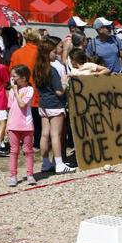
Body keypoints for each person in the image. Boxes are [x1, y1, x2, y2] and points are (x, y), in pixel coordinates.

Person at [34, 38, 73, 174]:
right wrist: (65, 82)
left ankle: (45, 163)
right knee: (55, 135)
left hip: (43, 105)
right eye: (52, 52)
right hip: (55, 105)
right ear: (47, 53)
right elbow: (59, 91)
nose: (55, 54)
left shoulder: (37, 69)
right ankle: (60, 164)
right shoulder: (53, 70)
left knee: (45, 134)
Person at [5, 65, 36, 186]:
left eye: (14, 76)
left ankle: (30, 174)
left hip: (26, 125)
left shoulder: (29, 90)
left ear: (23, 78)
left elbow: (22, 104)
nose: (12, 79)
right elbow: (10, 109)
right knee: (14, 151)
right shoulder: (12, 90)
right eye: (11, 76)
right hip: (13, 125)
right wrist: (8, 125)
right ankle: (13, 175)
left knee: (28, 150)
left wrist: (15, 90)